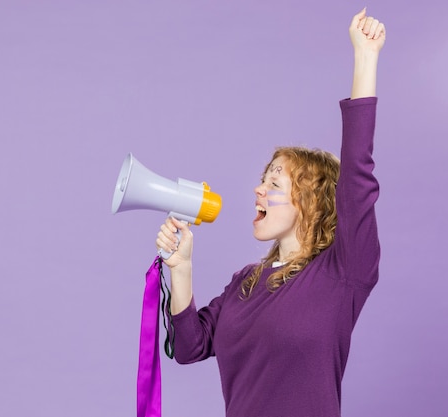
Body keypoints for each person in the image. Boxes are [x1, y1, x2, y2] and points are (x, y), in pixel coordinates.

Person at [155, 8, 385, 417]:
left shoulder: (344, 272)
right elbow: (189, 347)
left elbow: (357, 177)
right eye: (265, 177)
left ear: (311, 204)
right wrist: (182, 267)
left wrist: (365, 58)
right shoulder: (245, 282)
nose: (258, 188)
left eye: (275, 183)